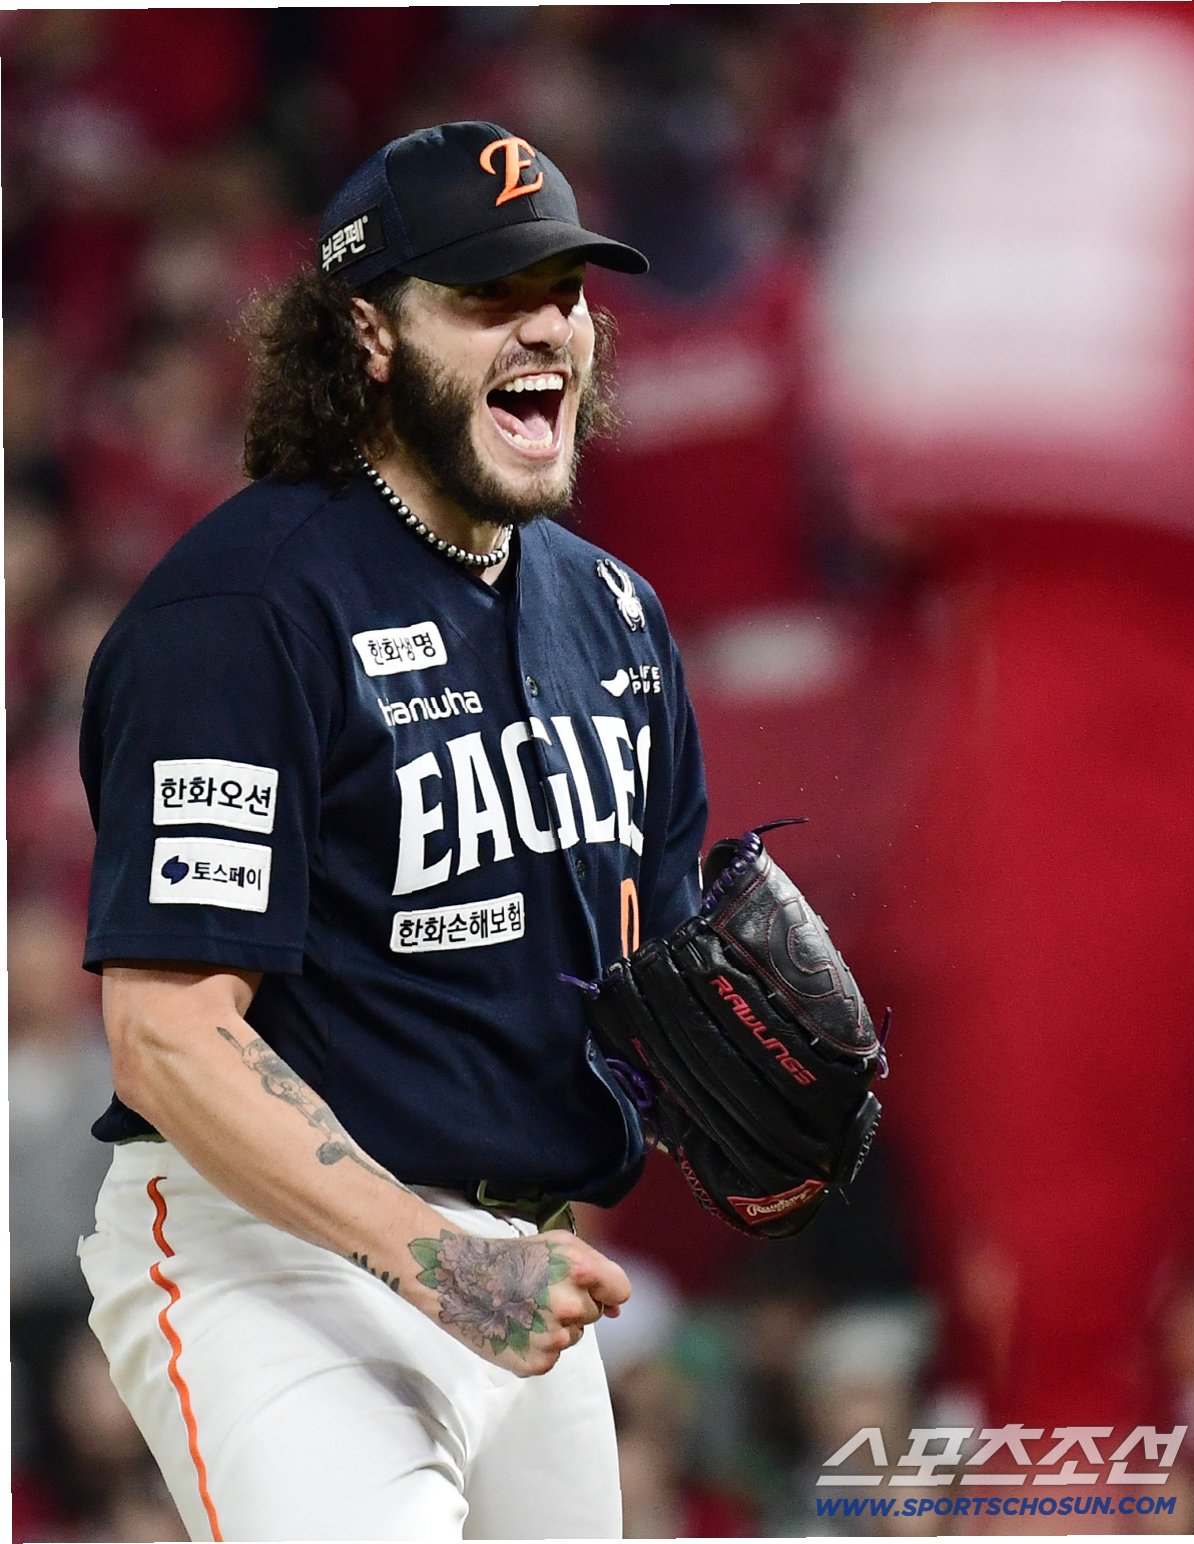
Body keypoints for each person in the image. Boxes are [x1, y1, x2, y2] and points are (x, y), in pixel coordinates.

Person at [77, 121, 708, 1542]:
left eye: (564, 291)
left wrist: (747, 1119)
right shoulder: (242, 613)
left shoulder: (615, 614)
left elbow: (655, 984)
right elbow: (167, 1035)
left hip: (524, 1271)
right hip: (275, 1259)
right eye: (488, 295)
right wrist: (429, 1256)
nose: (545, 326)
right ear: (368, 334)